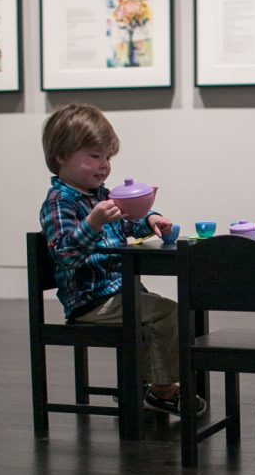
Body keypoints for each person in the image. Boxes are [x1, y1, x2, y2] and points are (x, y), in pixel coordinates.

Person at [39, 103, 206, 416]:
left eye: (107, 157)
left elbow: (129, 222)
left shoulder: (101, 196)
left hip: (121, 294)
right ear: (61, 155)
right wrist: (93, 224)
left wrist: (151, 220)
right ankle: (162, 392)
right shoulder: (59, 202)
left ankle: (139, 384)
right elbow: (64, 253)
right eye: (94, 156)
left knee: (174, 311)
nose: (104, 166)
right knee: (165, 314)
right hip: (90, 303)